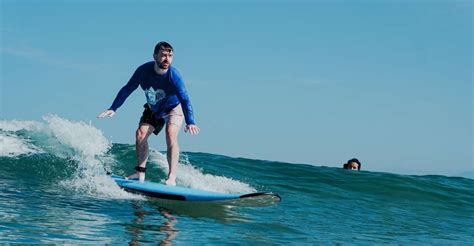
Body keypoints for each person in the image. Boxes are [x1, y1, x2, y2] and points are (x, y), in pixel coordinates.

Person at [98, 41, 200, 185]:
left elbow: (185, 99)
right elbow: (128, 88)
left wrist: (190, 121)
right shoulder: (143, 71)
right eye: (163, 55)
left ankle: (171, 177)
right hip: (154, 108)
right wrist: (113, 108)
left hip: (173, 108)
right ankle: (140, 173)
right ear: (155, 56)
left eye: (170, 56)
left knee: (171, 134)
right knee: (140, 134)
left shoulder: (174, 76)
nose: (167, 59)